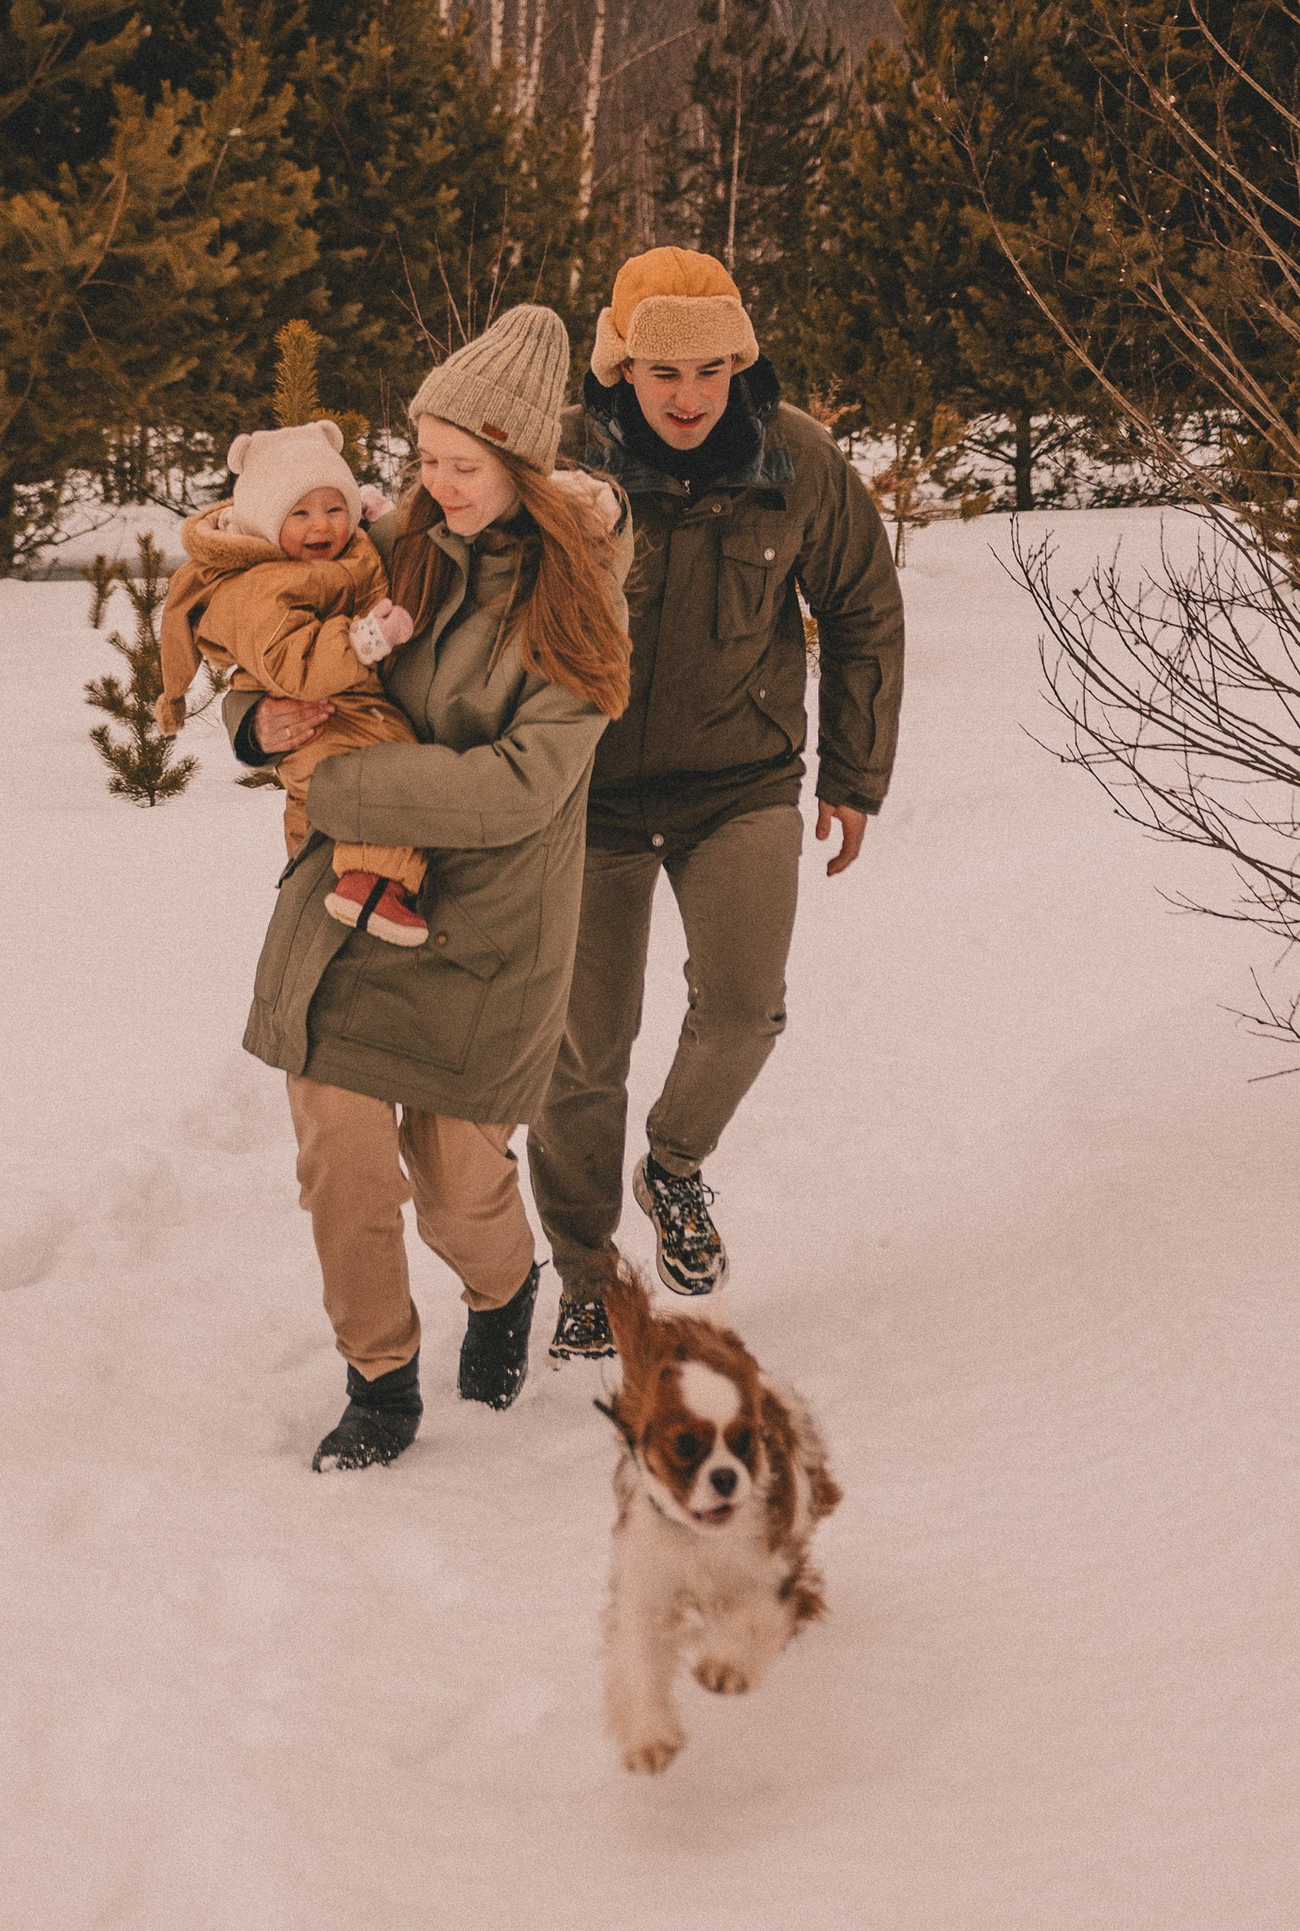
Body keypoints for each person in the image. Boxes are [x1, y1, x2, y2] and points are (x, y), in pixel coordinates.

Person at [228, 303, 632, 1472]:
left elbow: (520, 787)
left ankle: (504, 1291)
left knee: (458, 1190)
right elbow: (273, 643)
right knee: (341, 1165)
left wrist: (345, 783)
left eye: (461, 464)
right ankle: (379, 1379)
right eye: (425, 459)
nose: (433, 483)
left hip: (486, 928)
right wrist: (261, 720)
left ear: (519, 464)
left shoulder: (579, 599)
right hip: (343, 913)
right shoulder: (384, 546)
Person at [529, 248, 904, 1355]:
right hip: (583, 796)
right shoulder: (559, 461)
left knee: (745, 1009)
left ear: (739, 359)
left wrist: (852, 773)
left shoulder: (796, 459)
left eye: (708, 368)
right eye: (661, 372)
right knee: (581, 1053)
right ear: (621, 366)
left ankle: (677, 1161)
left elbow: (862, 613)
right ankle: (587, 1275)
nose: (688, 396)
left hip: (737, 781)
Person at [158, 415, 429, 942]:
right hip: (329, 717)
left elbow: (363, 573)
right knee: (382, 776)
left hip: (344, 712)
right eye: (299, 513)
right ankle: (369, 886)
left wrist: (377, 524)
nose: (321, 527)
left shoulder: (337, 552)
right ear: (263, 520)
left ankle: (332, 897)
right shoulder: (260, 585)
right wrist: (366, 639)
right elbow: (292, 662)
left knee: (318, 820)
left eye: (335, 510)